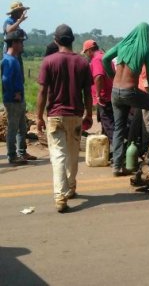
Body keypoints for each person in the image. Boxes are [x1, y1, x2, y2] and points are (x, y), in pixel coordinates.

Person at [36, 24, 93, 212]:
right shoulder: (83, 62)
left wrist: (39, 117)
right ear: (72, 40)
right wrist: (89, 114)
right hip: (75, 116)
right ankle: (71, 188)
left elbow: (42, 92)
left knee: (58, 156)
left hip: (55, 116)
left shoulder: (48, 61)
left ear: (56, 40)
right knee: (73, 154)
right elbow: (87, 93)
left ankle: (60, 196)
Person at [102, 22, 149, 176]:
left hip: (115, 92)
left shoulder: (123, 45)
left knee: (118, 128)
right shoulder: (144, 50)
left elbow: (105, 59)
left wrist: (112, 76)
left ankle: (117, 166)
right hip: (130, 92)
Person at [1, 29, 36, 164]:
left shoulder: (14, 59)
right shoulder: (8, 60)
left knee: (22, 127)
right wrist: (13, 93)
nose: (23, 45)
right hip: (13, 101)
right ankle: (12, 155)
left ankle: (22, 152)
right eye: (21, 42)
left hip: (19, 100)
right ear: (14, 43)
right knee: (13, 128)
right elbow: (5, 80)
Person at [82, 39, 114, 143]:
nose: (86, 54)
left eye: (85, 52)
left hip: (104, 98)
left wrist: (98, 95)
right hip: (111, 95)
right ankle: (109, 150)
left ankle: (118, 152)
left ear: (90, 50)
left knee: (109, 125)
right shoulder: (105, 56)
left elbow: (99, 76)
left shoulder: (96, 59)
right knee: (107, 125)